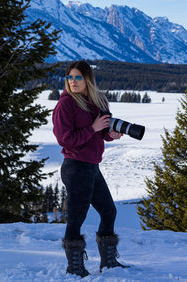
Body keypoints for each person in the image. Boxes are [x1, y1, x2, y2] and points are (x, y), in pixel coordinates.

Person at [52, 60, 127, 278]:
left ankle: (109, 262)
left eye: (78, 77)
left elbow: (102, 132)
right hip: (75, 166)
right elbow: (65, 140)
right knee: (77, 216)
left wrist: (110, 134)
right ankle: (74, 266)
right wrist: (92, 128)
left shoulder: (97, 101)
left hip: (92, 166)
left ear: (87, 80)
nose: (73, 82)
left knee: (109, 211)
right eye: (69, 77)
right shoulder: (65, 105)